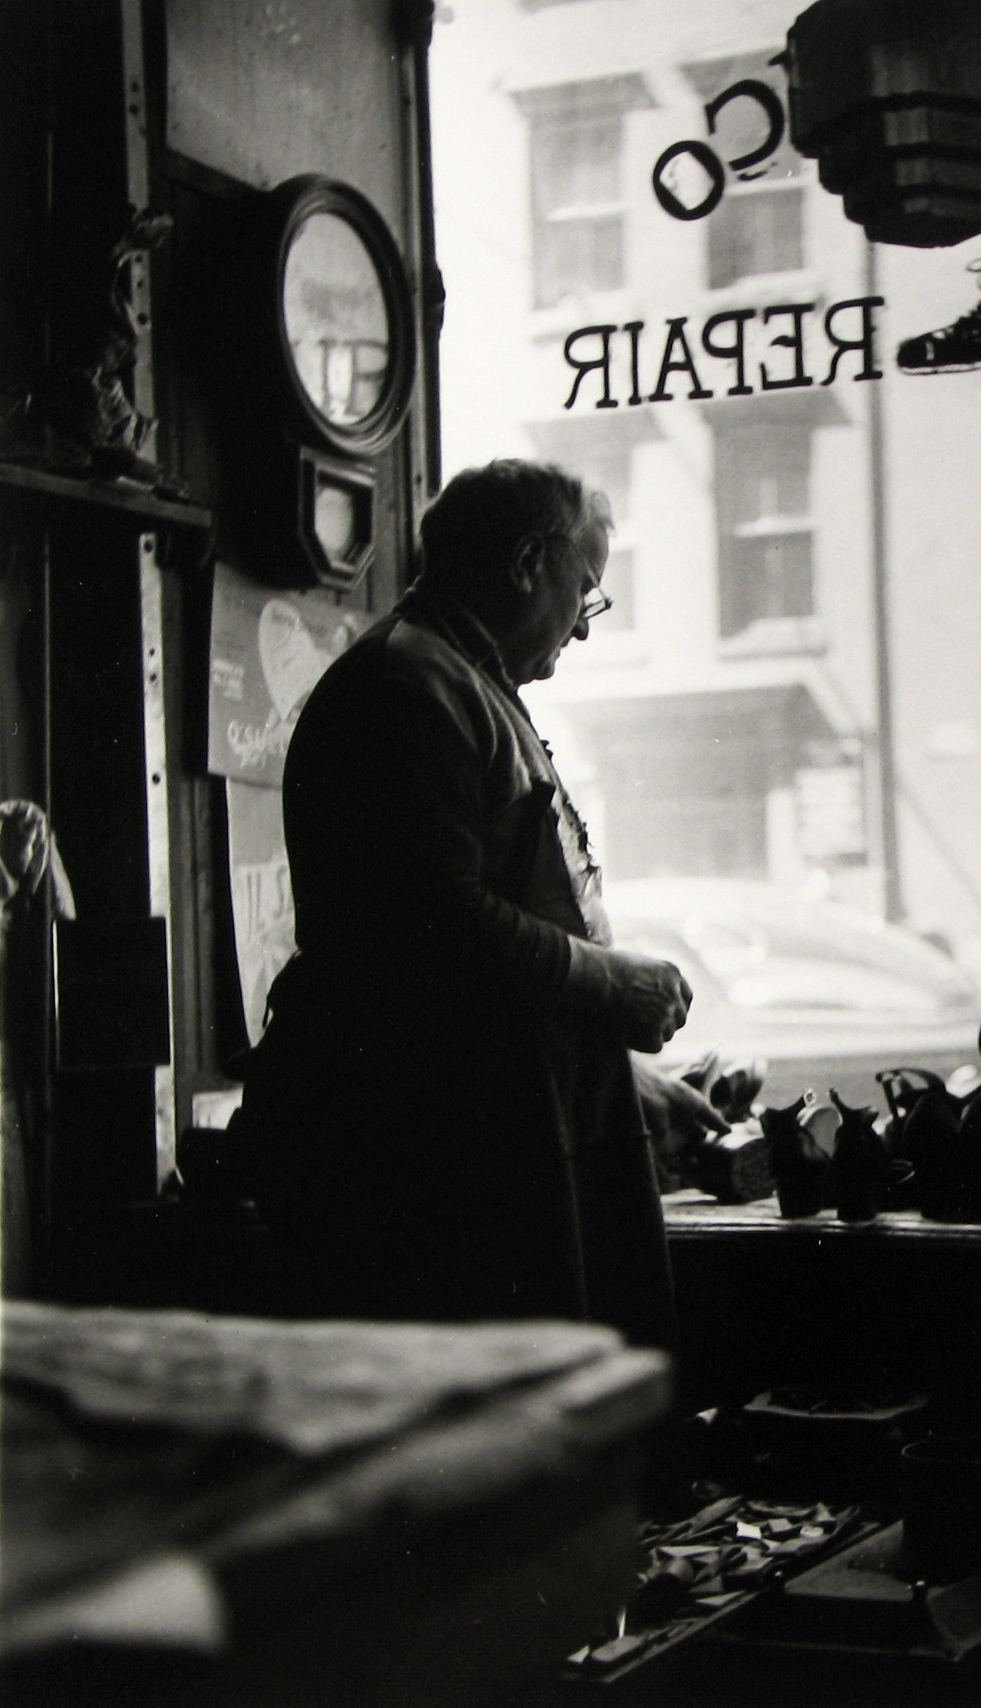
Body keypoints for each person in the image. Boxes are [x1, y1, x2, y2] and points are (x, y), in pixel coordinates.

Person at [232, 460, 721, 1347]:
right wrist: (608, 987)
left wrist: (612, 1076)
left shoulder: (459, 680)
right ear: (532, 560)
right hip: (445, 1158)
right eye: (587, 589)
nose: (583, 625)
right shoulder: (405, 685)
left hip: (494, 1129)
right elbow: (439, 926)